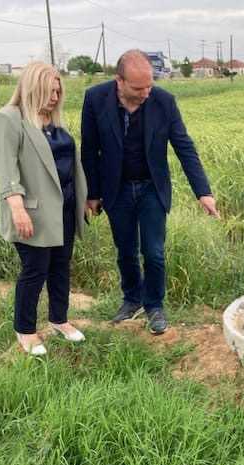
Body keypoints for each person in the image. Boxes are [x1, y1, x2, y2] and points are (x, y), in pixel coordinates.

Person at [81, 49, 219, 335]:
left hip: (151, 188)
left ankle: (154, 305)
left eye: (149, 85)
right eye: (138, 88)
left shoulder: (164, 101)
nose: (146, 93)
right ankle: (132, 300)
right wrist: (92, 193)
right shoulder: (95, 98)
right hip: (116, 189)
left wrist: (203, 192)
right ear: (119, 81)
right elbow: (89, 149)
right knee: (126, 251)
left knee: (154, 253)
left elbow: (184, 147)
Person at [0, 62, 88, 355]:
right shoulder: (9, 119)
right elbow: (6, 171)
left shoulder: (54, 122)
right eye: (50, 91)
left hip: (65, 210)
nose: (55, 97)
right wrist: (17, 209)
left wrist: (83, 198)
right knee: (35, 271)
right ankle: (25, 330)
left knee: (61, 267)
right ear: (33, 88)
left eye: (58, 92)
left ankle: (59, 319)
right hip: (32, 213)